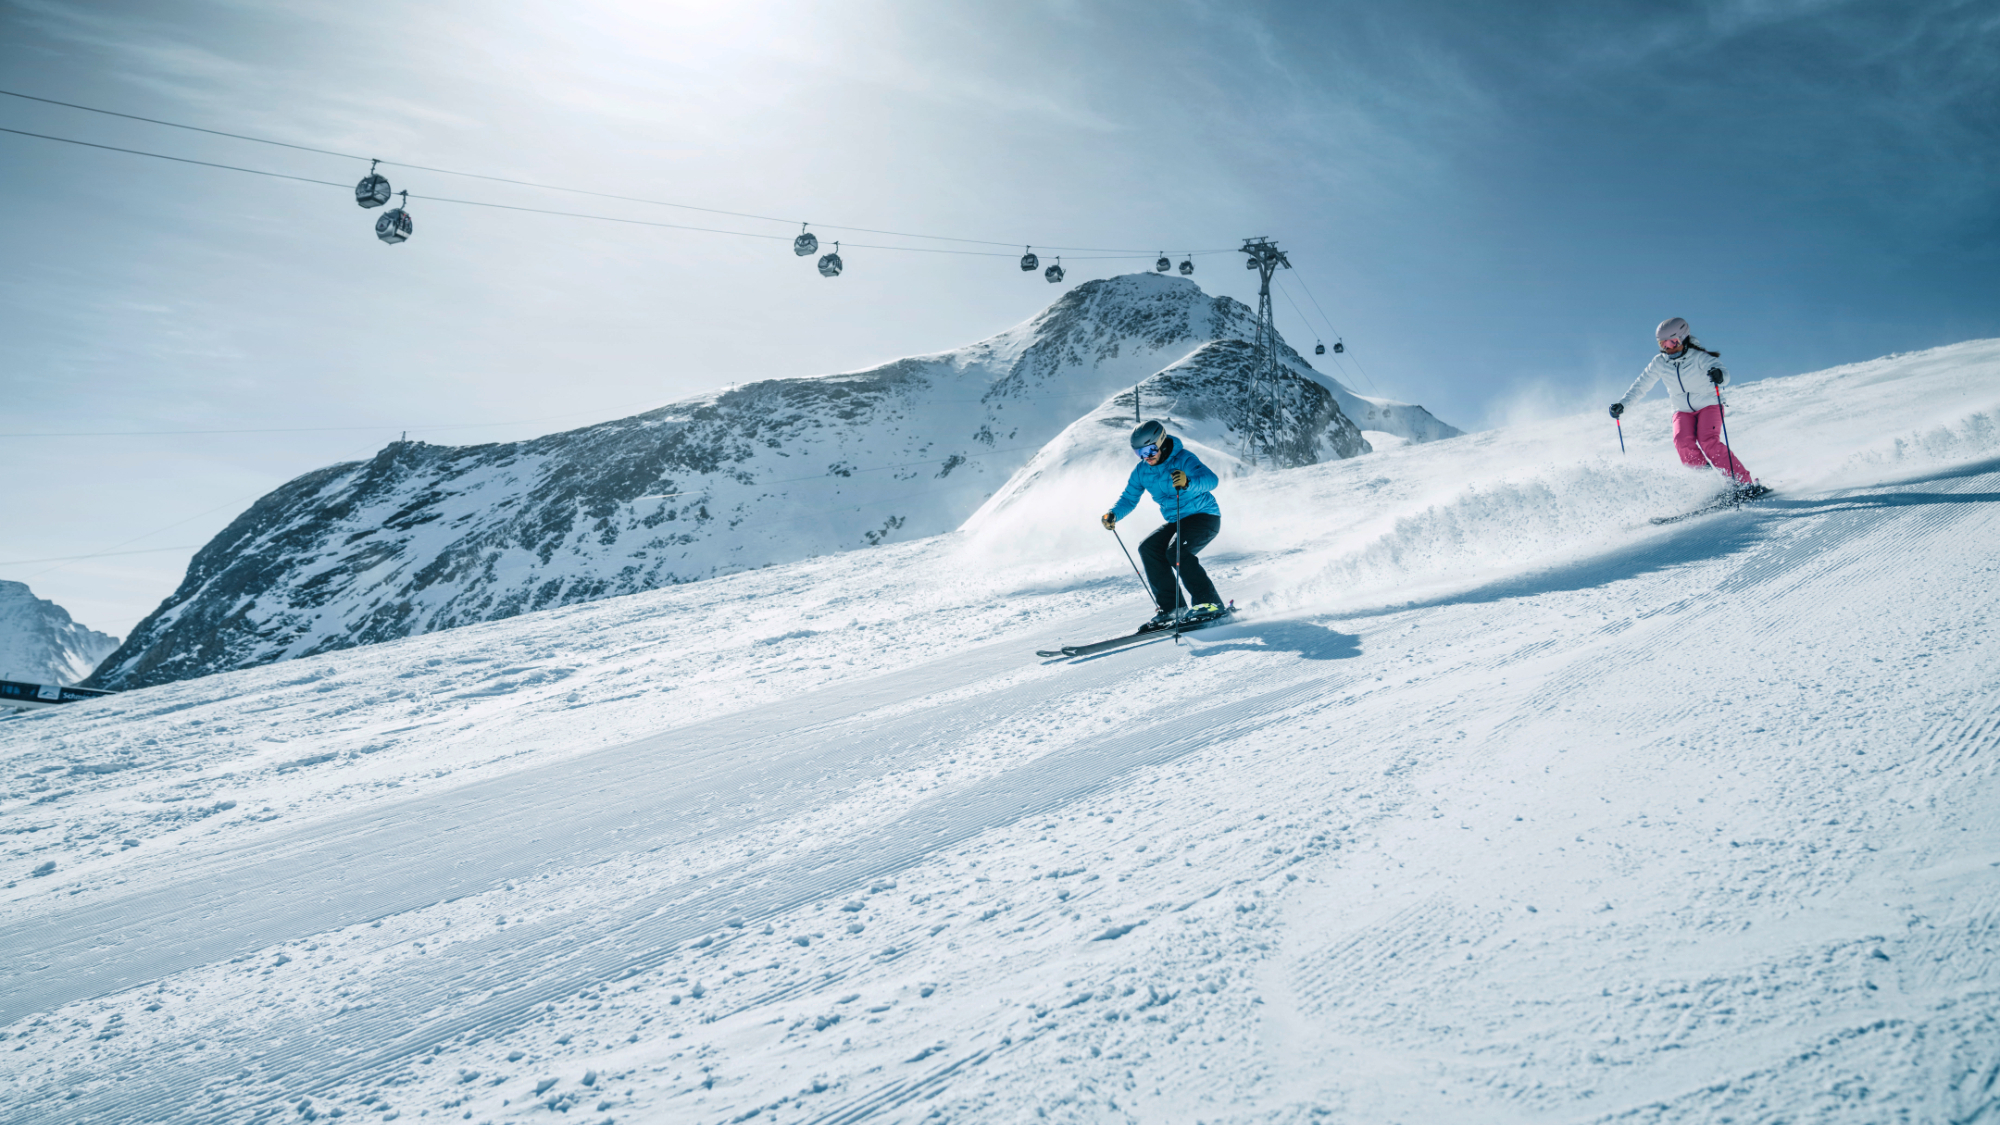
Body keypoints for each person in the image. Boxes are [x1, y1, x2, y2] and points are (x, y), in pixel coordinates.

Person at [1100, 420, 1227, 629]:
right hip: (1177, 521)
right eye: (1140, 453)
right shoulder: (1142, 471)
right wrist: (1113, 514)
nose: (1147, 457)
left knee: (1176, 552)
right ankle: (1172, 609)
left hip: (1204, 516)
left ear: (1160, 442)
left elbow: (1211, 480)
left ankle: (1209, 603)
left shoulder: (1183, 459)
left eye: (1150, 450)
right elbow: (1129, 498)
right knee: (1148, 548)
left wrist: (1188, 483)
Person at [1610, 317, 1758, 489]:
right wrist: (1623, 404)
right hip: (1681, 410)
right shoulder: (1659, 363)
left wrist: (1719, 375)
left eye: (1673, 342)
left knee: (1708, 442)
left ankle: (1743, 483)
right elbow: (1641, 385)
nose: (1668, 348)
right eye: (1663, 344)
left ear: (1683, 338)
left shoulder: (1698, 357)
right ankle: (1710, 486)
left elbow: (1724, 374)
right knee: (1682, 442)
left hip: (1708, 405)